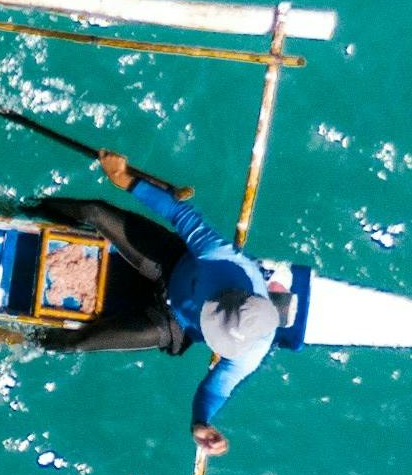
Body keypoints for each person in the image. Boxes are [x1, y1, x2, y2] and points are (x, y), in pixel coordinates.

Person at [61, 151, 289, 455]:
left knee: (79, 342)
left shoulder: (250, 352)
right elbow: (180, 213)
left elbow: (216, 388)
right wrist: (125, 180)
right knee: (93, 211)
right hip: (173, 264)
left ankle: (20, 337)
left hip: (174, 321)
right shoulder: (222, 258)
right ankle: (26, 208)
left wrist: (201, 423)